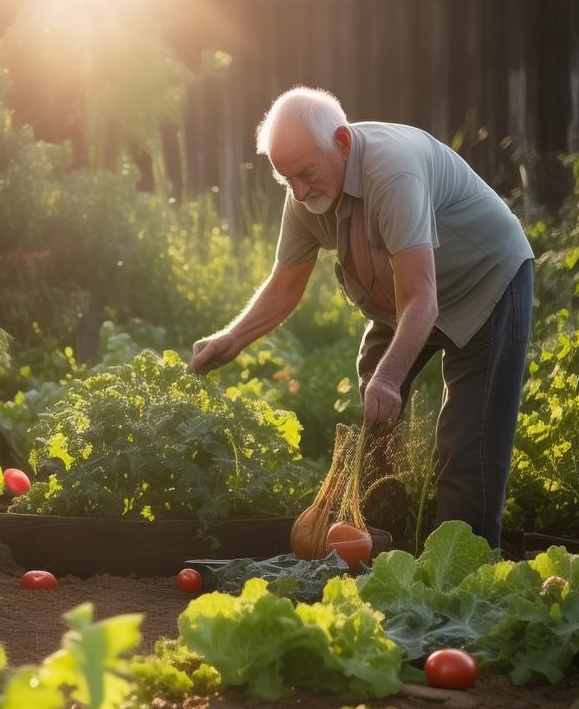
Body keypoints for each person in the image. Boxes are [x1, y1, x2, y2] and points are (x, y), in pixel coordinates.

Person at [188, 86, 534, 549]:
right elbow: (285, 285)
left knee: (467, 448)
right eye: (285, 178)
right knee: (375, 406)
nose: (298, 191)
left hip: (487, 283)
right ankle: (380, 546)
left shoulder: (392, 173)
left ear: (343, 142)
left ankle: (463, 576)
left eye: (305, 174)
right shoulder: (306, 194)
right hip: (410, 295)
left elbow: (422, 298)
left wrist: (391, 379)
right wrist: (230, 339)